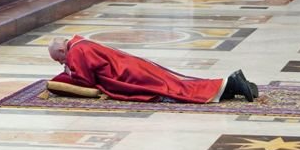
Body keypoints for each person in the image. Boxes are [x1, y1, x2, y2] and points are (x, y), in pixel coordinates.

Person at [47, 36, 258, 103]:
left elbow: (85, 81)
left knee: (173, 90)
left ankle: (233, 83)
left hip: (127, 75)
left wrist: (64, 77)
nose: (61, 63)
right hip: (132, 67)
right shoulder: (80, 43)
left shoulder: (76, 52)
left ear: (60, 49)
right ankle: (233, 86)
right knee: (176, 85)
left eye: (59, 59)